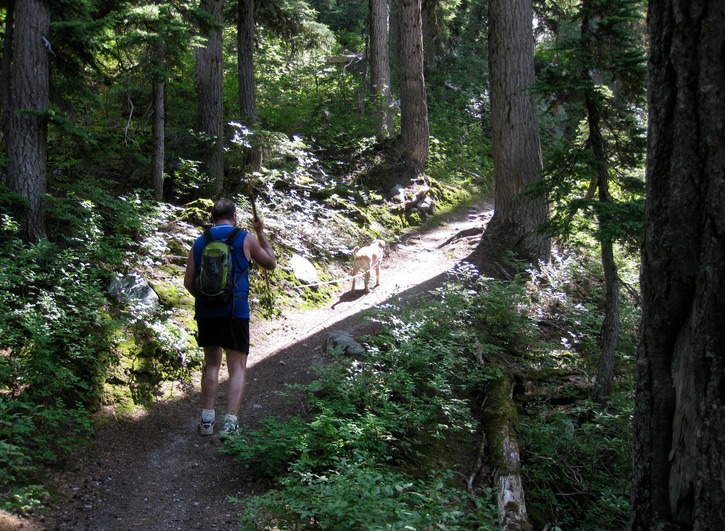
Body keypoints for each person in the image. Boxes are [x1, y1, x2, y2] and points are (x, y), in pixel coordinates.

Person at [184, 198, 276, 439]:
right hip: (235, 312)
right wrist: (260, 232)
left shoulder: (200, 242)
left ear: (212, 218)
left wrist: (206, 299)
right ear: (234, 216)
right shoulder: (244, 238)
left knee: (211, 364)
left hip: (207, 313)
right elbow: (270, 263)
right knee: (237, 368)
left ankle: (206, 421)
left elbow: (189, 282)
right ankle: (230, 424)